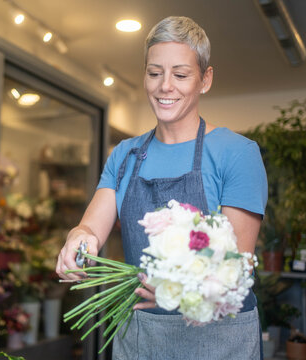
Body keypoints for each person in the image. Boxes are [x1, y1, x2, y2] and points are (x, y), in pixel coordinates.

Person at [56, 16, 267, 360]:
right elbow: (91, 226)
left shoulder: (237, 154)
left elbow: (237, 267)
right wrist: (79, 239)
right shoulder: (125, 155)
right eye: (154, 73)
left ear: (205, 79)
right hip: (141, 337)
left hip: (218, 341)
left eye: (180, 75)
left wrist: (179, 288)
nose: (165, 86)